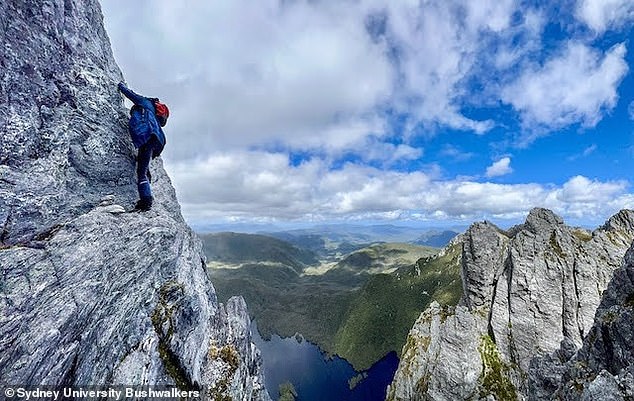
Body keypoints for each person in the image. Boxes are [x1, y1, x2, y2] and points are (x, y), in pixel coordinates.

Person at [118, 82, 168, 211]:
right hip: (157, 140)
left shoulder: (145, 102)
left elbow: (131, 94)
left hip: (148, 135)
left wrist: (120, 86)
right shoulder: (154, 113)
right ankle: (147, 177)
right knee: (143, 165)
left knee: (141, 173)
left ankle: (145, 202)